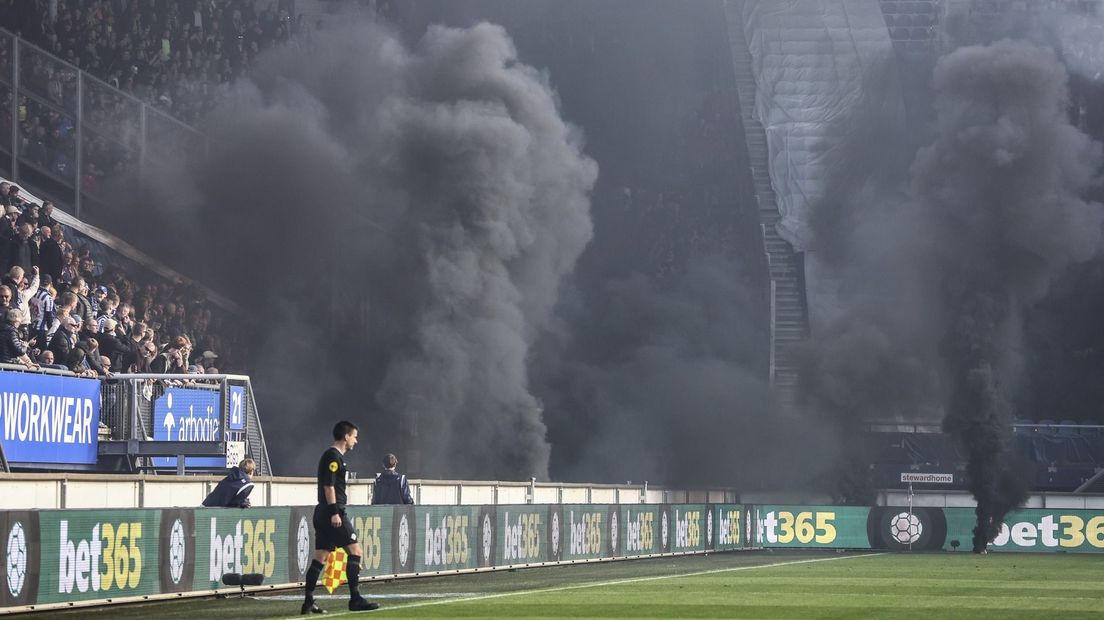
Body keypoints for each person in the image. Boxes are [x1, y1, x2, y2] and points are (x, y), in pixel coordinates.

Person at [301, 421, 379, 614]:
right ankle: (355, 599)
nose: (356, 441)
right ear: (346, 436)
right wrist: (335, 512)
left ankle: (308, 601)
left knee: (321, 557)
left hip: (323, 512)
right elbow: (329, 486)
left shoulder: (335, 457)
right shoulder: (333, 457)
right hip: (331, 513)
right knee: (356, 551)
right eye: (354, 436)